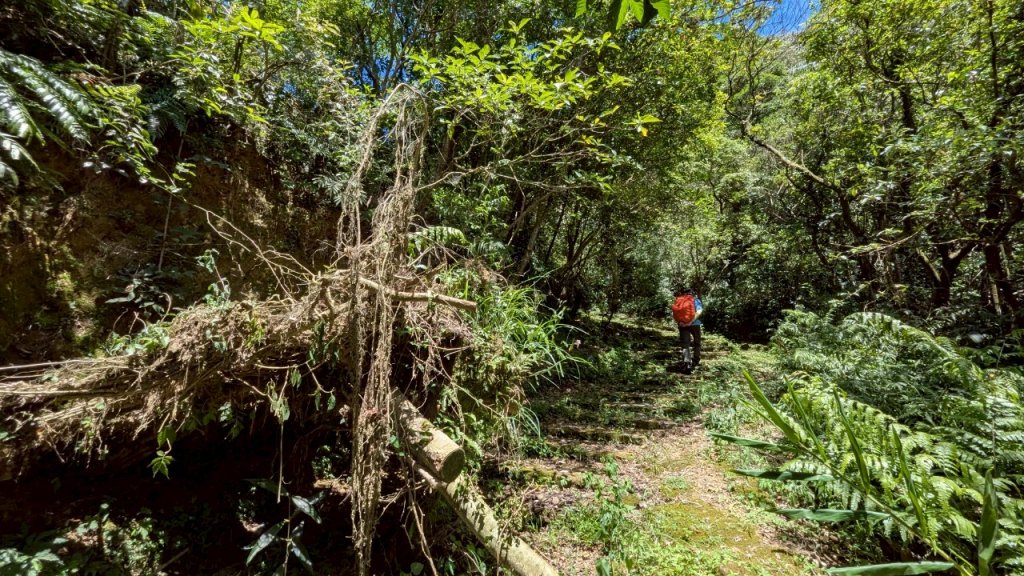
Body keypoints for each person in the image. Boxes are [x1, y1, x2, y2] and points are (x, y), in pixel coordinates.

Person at [672, 287, 703, 370]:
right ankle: (696, 361)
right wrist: (691, 321)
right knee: (697, 343)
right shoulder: (695, 300)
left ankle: (687, 363)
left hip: (682, 325)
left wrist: (680, 322)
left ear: (684, 293)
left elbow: (675, 312)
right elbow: (699, 311)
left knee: (685, 344)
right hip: (695, 324)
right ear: (692, 293)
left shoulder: (679, 300)